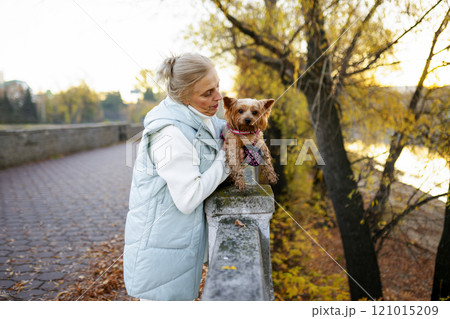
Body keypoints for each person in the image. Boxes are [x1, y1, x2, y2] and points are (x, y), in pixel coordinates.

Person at [123, 53, 230, 301]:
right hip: (160, 255)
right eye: (207, 93)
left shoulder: (197, 117)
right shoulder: (169, 134)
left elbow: (219, 131)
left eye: (218, 86)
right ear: (183, 97)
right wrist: (228, 158)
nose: (218, 97)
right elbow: (188, 197)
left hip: (174, 247)